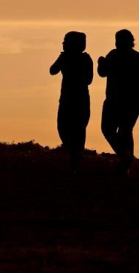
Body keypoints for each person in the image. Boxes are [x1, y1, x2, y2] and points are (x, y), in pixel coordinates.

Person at [97, 29, 139, 174]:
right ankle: (126, 157)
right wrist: (102, 63)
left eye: (119, 39)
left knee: (123, 130)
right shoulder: (115, 55)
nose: (117, 42)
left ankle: (126, 161)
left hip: (126, 101)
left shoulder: (135, 58)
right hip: (117, 100)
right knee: (112, 130)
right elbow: (103, 73)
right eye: (116, 39)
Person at [50, 31, 93, 172]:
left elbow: (88, 79)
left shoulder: (85, 59)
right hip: (70, 98)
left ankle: (76, 154)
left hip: (76, 98)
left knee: (78, 128)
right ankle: (75, 152)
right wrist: (62, 60)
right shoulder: (68, 58)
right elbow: (53, 70)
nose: (62, 44)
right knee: (64, 126)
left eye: (65, 41)